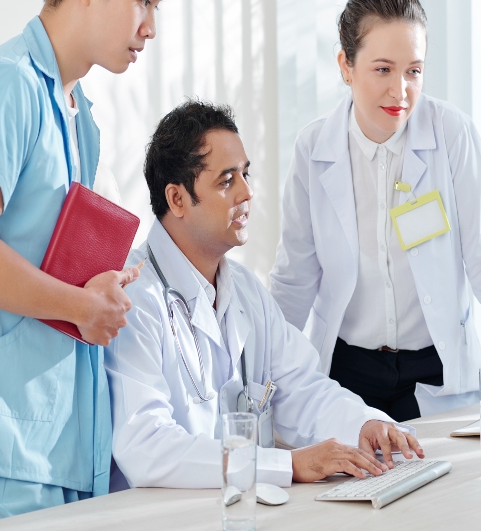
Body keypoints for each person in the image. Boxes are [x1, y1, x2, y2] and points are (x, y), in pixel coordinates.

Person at [0, 0, 176, 529]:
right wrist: (79, 306)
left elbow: (41, 257)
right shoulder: (6, 85)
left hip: (58, 439)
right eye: (144, 1)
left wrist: (100, 289)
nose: (151, 27)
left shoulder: (80, 115)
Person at [105, 99, 422, 491]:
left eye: (245, 174)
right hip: (166, 513)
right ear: (177, 199)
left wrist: (365, 425)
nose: (247, 192)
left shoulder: (245, 291)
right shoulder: (134, 299)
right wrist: (287, 465)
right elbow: (146, 447)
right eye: (226, 181)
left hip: (241, 507)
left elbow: (301, 388)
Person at [270, 0, 481, 422]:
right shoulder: (314, 148)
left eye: (414, 71)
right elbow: (295, 279)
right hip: (347, 374)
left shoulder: (452, 133)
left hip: (435, 368)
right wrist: (265, 380)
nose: (400, 91)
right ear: (346, 66)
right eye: (383, 69)